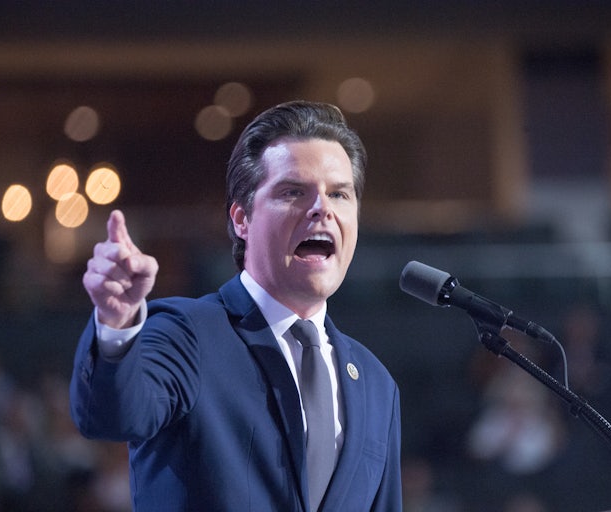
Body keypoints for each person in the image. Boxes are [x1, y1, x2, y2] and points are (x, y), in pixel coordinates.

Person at [69, 100, 402, 511]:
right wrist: (116, 323)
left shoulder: (375, 383)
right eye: (293, 192)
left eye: (339, 194)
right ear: (242, 219)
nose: (322, 209)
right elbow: (110, 415)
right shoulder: (186, 335)